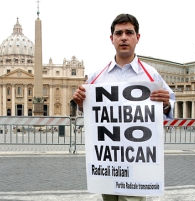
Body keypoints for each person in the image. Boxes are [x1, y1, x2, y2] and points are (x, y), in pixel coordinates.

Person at [72, 13, 175, 201]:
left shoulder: (151, 75)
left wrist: (166, 105)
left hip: (136, 160)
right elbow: (90, 112)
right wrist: (80, 103)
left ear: (138, 38)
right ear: (112, 39)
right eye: (119, 33)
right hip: (108, 160)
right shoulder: (96, 76)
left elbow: (170, 107)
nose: (124, 37)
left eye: (129, 32)